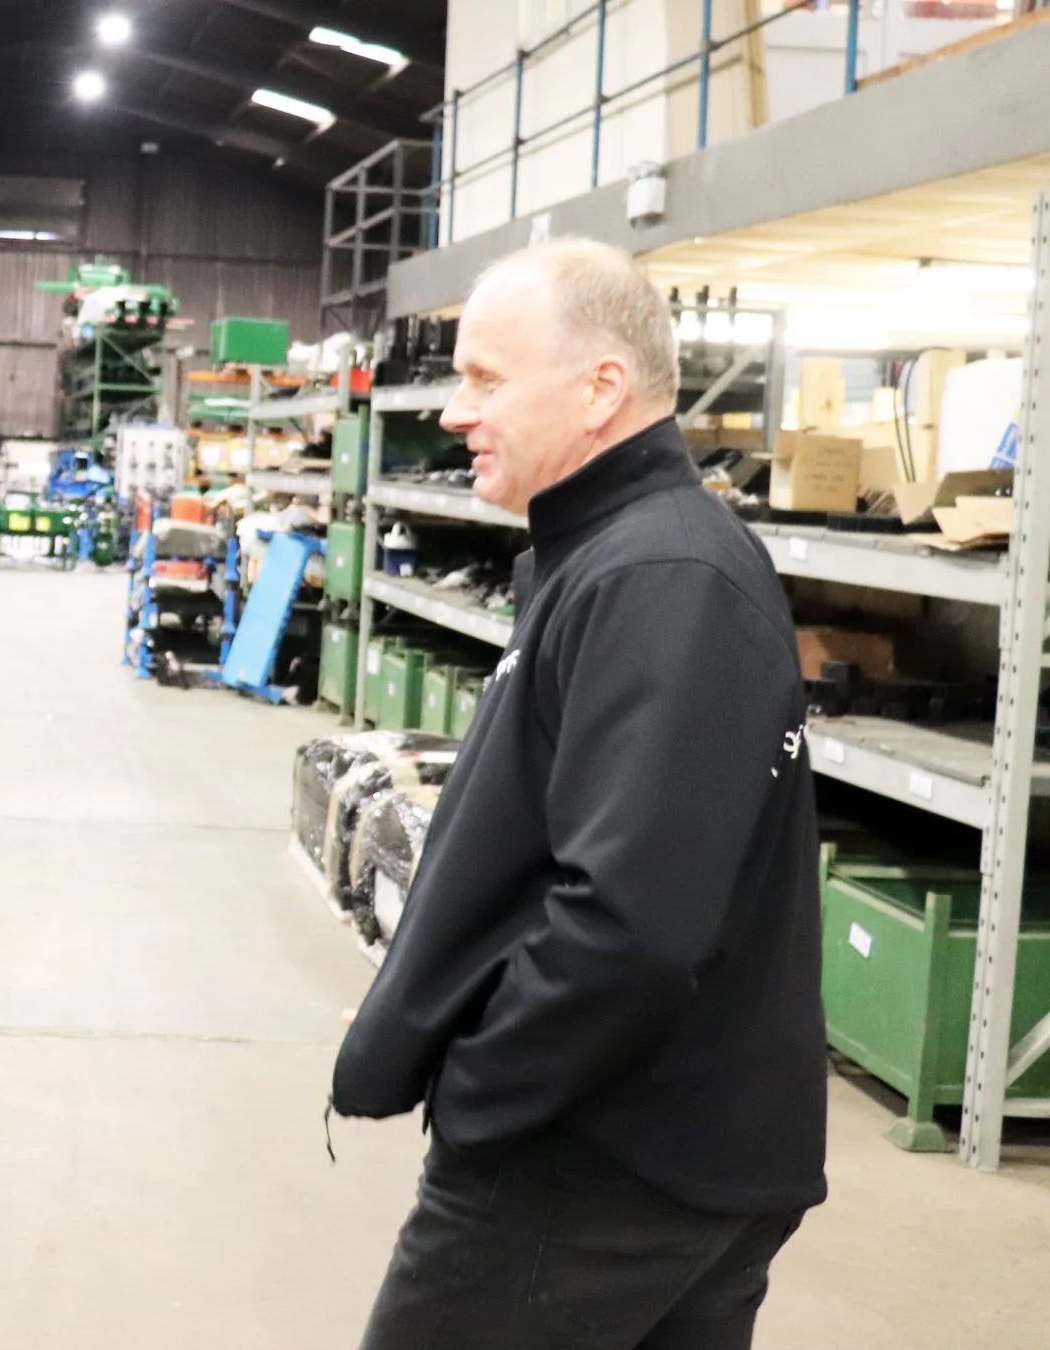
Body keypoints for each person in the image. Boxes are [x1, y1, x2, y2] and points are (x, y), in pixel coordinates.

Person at [332, 239, 827, 1350]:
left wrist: (484, 1099)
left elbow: (629, 923)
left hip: (599, 1166)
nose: (458, 412)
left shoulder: (662, 579)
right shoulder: (604, 556)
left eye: (487, 380)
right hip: (655, 1151)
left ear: (602, 387)